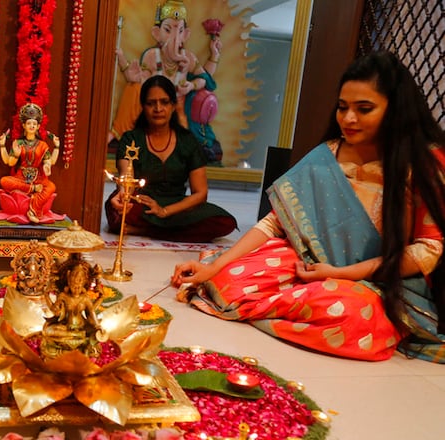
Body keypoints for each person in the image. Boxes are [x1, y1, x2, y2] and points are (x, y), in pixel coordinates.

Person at [172, 51, 445, 363]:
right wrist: (214, 267)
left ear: (396, 110)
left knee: (355, 317)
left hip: (379, 280)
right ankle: (293, 304)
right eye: (343, 108)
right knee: (226, 280)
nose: (349, 119)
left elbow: (428, 249)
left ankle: (289, 304)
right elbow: (274, 223)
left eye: (364, 109)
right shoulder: (329, 153)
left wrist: (342, 273)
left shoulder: (423, 162)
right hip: (311, 262)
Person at [105, 75, 236, 242]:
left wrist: (164, 211)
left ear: (173, 106)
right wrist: (122, 195)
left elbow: (201, 193)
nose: (158, 108)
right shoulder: (131, 139)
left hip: (177, 206)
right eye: (151, 103)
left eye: (164, 102)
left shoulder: (188, 141)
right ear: (143, 107)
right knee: (114, 210)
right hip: (143, 203)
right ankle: (165, 230)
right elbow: (126, 177)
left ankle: (144, 230)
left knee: (224, 222)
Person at [112, 0, 224, 163]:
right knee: (134, 89)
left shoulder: (189, 57)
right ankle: (122, 135)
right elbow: (138, 78)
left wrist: (191, 85)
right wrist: (123, 60)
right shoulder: (152, 55)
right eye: (168, 30)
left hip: (178, 103)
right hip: (155, 104)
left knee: (182, 129)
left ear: (185, 35)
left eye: (179, 31)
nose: (174, 37)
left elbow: (204, 79)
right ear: (157, 33)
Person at [0, 103, 61, 224]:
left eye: (34, 124)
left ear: (38, 126)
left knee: (51, 186)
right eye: (29, 123)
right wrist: (5, 146)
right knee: (4, 181)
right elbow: (9, 162)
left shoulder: (42, 145)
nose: (31, 126)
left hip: (38, 178)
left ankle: (33, 210)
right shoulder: (19, 142)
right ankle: (32, 189)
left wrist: (56, 149)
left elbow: (49, 162)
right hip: (21, 178)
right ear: (24, 125)